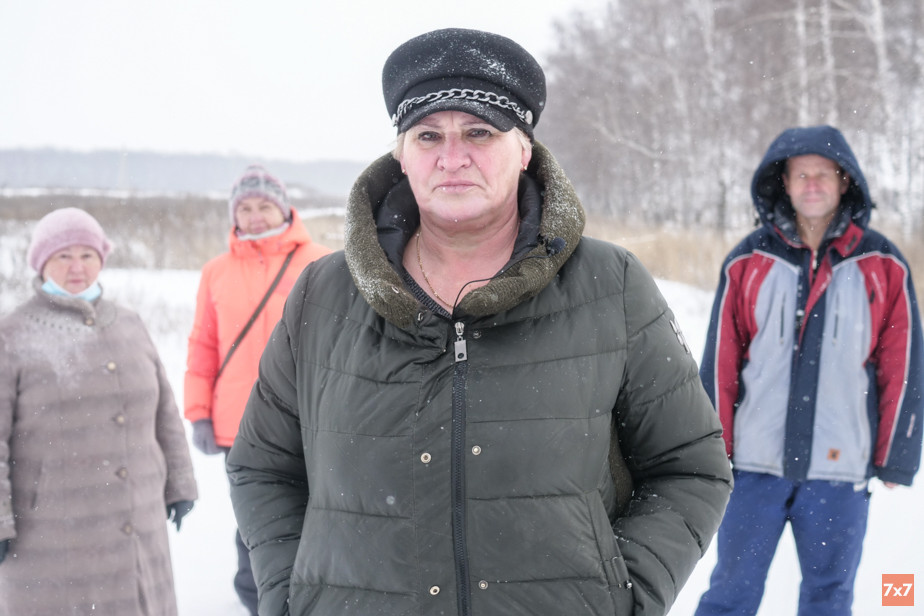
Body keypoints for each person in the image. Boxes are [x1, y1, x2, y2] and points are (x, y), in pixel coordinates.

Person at [226, 28, 732, 616]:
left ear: (524, 150)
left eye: (479, 132)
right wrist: (294, 597)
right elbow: (263, 468)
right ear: (401, 155)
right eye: (428, 135)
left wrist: (622, 598)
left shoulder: (609, 285)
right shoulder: (323, 295)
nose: (452, 157)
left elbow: (689, 467)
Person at [695, 125, 924, 616]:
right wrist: (712, 448)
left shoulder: (883, 264)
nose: (813, 184)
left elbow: (902, 366)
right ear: (785, 183)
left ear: (844, 181)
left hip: (838, 472)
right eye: (802, 175)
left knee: (829, 599)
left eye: (824, 174)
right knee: (730, 594)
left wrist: (897, 454)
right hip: (754, 467)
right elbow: (720, 364)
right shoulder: (748, 260)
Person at [0, 207, 198, 615]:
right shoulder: (13, 334)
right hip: (50, 531)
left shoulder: (129, 323)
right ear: (41, 262)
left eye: (87, 255)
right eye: (63, 256)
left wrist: (180, 483)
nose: (77, 267)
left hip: (139, 516)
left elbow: (164, 412)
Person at [184, 164, 331, 615]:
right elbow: (203, 343)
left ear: (284, 208)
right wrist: (198, 412)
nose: (254, 216)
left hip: (311, 415)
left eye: (264, 205)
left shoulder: (322, 262)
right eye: (244, 208)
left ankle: (320, 594)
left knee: (321, 511)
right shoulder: (216, 271)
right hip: (239, 420)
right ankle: (257, 599)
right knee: (257, 516)